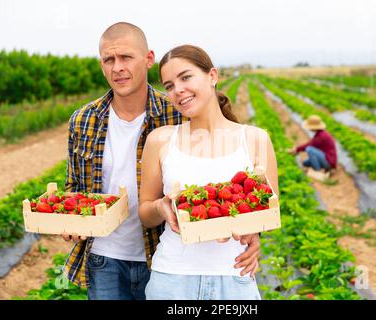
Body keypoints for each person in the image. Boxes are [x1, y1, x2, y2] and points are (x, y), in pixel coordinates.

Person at [61, 23, 261, 300]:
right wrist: (70, 221)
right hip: (103, 255)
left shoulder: (179, 110)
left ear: (148, 58)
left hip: (159, 254)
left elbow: (221, 174)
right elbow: (74, 186)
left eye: (126, 57)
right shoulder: (84, 119)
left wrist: (252, 234)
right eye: (109, 60)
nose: (117, 67)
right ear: (101, 65)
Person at [139, 45, 278, 300]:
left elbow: (268, 211)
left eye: (185, 77)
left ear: (212, 76)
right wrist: (161, 207)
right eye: (169, 85)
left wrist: (253, 234)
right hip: (172, 280)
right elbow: (145, 213)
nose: (177, 90)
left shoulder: (255, 139)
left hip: (234, 276)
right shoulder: (160, 140)